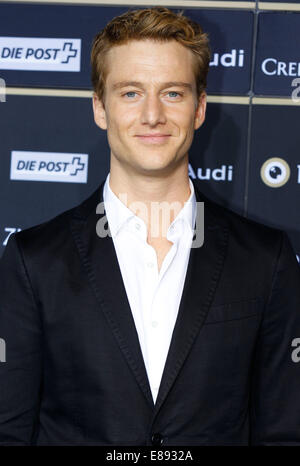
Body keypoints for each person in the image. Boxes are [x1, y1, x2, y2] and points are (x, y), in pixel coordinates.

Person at [0, 7, 300, 446]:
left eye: (173, 93)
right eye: (130, 93)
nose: (153, 115)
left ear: (199, 108)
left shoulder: (265, 259)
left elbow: (284, 433)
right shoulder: (33, 261)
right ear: (100, 107)